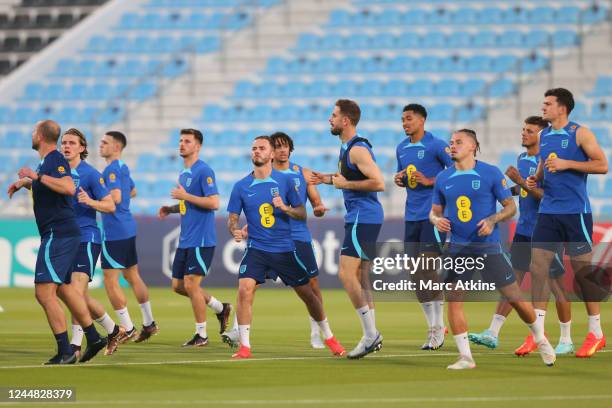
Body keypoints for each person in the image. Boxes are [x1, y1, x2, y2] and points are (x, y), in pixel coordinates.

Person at [429, 129, 556, 369]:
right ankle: (466, 357)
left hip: (488, 247)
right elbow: (434, 212)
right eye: (451, 143)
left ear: (473, 146)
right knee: (454, 300)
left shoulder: (490, 173)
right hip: (456, 248)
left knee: (515, 298)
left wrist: (492, 220)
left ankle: (540, 339)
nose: (452, 146)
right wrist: (437, 220)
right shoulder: (443, 178)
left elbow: (510, 207)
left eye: (458, 142)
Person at [226, 135, 345, 359]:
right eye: (254, 148)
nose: (256, 152)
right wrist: (234, 229)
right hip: (257, 249)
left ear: (271, 154)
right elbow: (232, 217)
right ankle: (244, 347)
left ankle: (329, 337)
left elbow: (301, 213)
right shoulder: (241, 186)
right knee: (245, 290)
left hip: (284, 248)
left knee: (309, 295)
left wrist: (285, 207)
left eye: (261, 148)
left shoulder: (286, 181)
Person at [469, 116, 573, 355]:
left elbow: (547, 196)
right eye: (523, 129)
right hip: (524, 229)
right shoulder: (522, 158)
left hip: (546, 231)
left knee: (553, 286)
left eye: (530, 131)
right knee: (511, 282)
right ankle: (493, 332)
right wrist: (503, 191)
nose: (524, 133)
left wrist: (520, 183)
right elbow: (523, 190)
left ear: (542, 136)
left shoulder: (546, 161)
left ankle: (563, 338)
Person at [7, 120, 107, 364]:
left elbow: (66, 187)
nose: (31, 134)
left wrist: (36, 176)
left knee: (43, 292)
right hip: (63, 232)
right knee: (63, 289)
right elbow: (50, 186)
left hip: (58, 233)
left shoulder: (53, 160)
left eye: (33, 131)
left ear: (40, 135)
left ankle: (65, 351)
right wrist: (27, 183)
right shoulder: (49, 162)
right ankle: (94, 338)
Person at [526, 88, 608, 358]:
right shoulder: (543, 135)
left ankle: (595, 332)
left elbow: (602, 165)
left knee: (582, 274)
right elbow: (544, 164)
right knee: (538, 267)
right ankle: (538, 333)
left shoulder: (580, 133)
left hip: (575, 212)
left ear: (562, 108)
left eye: (547, 103)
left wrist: (567, 164)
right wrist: (535, 178)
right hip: (548, 211)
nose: (543, 107)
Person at [310, 99, 384, 359]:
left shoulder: (357, 149)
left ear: (346, 120)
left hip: (362, 217)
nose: (329, 119)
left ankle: (370, 334)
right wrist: (327, 179)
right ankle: (372, 333)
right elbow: (350, 178)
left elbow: (378, 183)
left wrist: (343, 185)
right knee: (362, 277)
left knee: (345, 273)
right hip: (365, 216)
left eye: (333, 115)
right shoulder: (347, 148)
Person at [158, 128, 231, 347]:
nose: (182, 144)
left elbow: (214, 203)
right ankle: (220, 308)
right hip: (186, 239)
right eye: (180, 140)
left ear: (197, 146)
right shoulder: (184, 173)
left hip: (201, 239)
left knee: (191, 285)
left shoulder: (204, 170)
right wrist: (171, 208)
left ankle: (202, 335)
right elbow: (186, 203)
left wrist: (185, 195)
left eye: (187, 141)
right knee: (178, 286)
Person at [60, 128, 127, 357]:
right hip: (65, 239)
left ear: (82, 148)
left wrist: (89, 201)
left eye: (71, 143)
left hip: (87, 238)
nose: (66, 146)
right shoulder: (59, 173)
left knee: (75, 292)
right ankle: (113, 329)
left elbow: (109, 205)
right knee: (78, 295)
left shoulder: (90, 174)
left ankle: (75, 345)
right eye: (63, 142)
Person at [393, 104, 452, 350]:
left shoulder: (437, 145)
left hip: (434, 216)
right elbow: (403, 176)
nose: (405, 123)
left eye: (409, 118)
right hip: (412, 216)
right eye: (403, 119)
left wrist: (429, 180)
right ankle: (433, 326)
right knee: (415, 273)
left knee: (426, 267)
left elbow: (457, 168)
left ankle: (439, 326)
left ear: (422, 120)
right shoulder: (402, 148)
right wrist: (399, 179)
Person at [99, 131, 157, 343]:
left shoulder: (111, 170)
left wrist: (95, 200)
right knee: (132, 276)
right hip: (128, 227)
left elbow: (115, 198)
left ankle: (128, 328)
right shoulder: (123, 167)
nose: (101, 145)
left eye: (104, 143)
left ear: (116, 147)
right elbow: (132, 192)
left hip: (114, 231)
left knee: (110, 280)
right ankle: (149, 323)